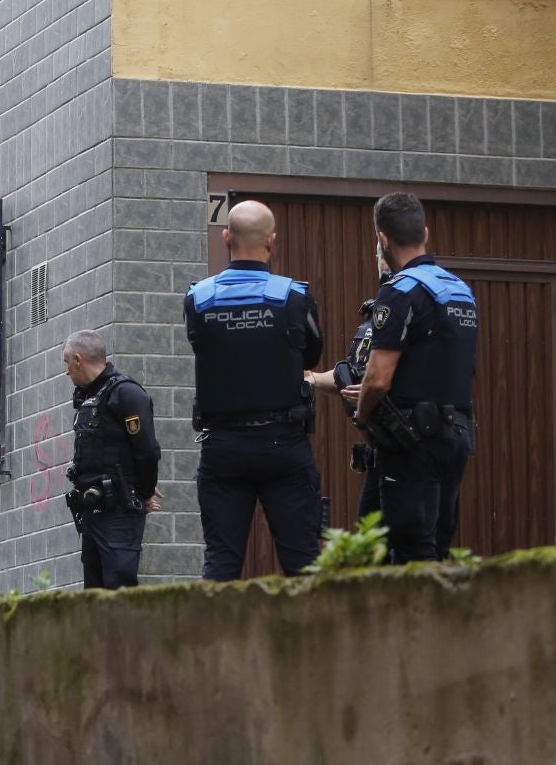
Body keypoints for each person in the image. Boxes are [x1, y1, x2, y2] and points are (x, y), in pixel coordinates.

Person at [184, 199, 325, 579]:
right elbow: (311, 354)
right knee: (303, 563)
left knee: (221, 562)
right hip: (284, 443)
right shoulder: (293, 296)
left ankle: (213, 638)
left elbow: (200, 344)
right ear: (271, 241)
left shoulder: (199, 298)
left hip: (223, 446)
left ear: (227, 237)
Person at [350, 192, 479, 563]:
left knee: (409, 550)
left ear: (383, 240)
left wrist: (362, 416)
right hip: (456, 436)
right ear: (425, 231)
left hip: (412, 444)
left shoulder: (400, 290)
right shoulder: (459, 291)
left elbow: (377, 380)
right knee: (438, 543)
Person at [62, 331, 162, 589]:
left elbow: (147, 451)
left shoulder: (126, 394)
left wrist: (145, 491)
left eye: (66, 363)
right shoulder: (88, 396)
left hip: (119, 510)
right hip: (92, 510)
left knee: (119, 589)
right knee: (94, 595)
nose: (66, 371)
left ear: (78, 359)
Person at [308, 255, 396, 531]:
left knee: (406, 545)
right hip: (378, 450)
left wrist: (373, 393)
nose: (380, 258)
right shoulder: (378, 313)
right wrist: (310, 378)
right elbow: (352, 375)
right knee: (369, 539)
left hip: (408, 446)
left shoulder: (411, 306)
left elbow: (381, 380)